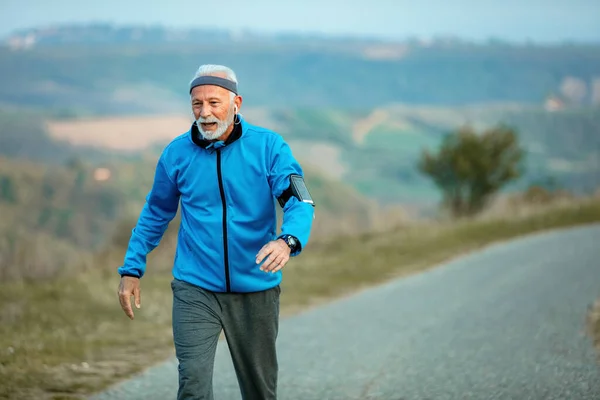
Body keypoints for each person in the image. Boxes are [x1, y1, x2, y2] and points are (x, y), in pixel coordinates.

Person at [117, 64, 315, 399]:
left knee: (259, 391)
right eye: (197, 104)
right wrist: (132, 268)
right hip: (196, 287)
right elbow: (155, 213)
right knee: (192, 384)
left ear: (236, 103)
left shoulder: (269, 148)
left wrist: (287, 240)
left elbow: (299, 201)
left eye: (214, 103)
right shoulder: (176, 154)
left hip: (255, 288)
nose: (205, 113)